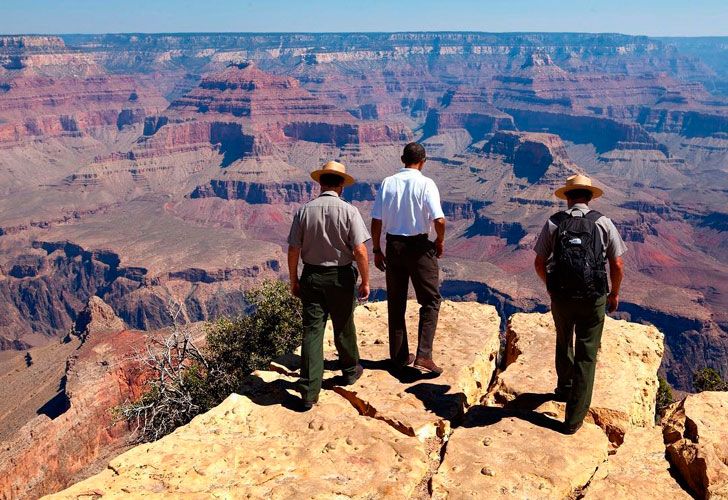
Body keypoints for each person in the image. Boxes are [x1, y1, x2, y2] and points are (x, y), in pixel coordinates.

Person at [533, 174, 626, 434]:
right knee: (587, 354)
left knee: (564, 341)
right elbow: (617, 265)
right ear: (589, 197)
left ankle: (563, 389)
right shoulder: (603, 223)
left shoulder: (554, 223)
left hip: (561, 296)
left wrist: (551, 287)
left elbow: (539, 263)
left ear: (567, 198)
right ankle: (573, 419)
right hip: (593, 297)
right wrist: (614, 294)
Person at [287, 160, 371, 410]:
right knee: (344, 323)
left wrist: (294, 280)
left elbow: (293, 249)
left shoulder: (304, 211)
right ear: (342, 186)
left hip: (311, 276)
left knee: (312, 331)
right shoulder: (349, 211)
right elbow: (360, 250)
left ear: (321, 183)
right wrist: (365, 281)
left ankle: (309, 392)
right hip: (341, 276)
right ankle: (349, 371)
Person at [371, 142, 446, 375]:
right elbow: (440, 220)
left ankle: (399, 357)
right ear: (423, 161)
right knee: (430, 301)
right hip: (420, 247)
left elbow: (376, 221)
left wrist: (376, 249)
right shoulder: (426, 183)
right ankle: (424, 356)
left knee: (396, 302)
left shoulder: (388, 182)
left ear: (402, 159)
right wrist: (440, 241)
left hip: (393, 246)